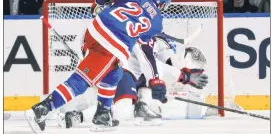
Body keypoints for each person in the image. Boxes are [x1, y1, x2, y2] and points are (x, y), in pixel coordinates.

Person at [25, 0, 173, 133]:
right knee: (81, 81)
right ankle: (40, 110)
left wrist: (102, 2)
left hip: (94, 30)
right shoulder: (157, 22)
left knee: (115, 73)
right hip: (111, 45)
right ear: (162, 4)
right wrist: (155, 79)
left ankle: (103, 115)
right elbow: (146, 51)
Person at [56, 33, 209, 128]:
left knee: (151, 81)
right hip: (122, 71)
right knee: (123, 110)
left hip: (123, 72)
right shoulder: (155, 40)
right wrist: (185, 77)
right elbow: (156, 66)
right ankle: (76, 116)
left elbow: (157, 70)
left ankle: (142, 106)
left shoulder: (156, 40)